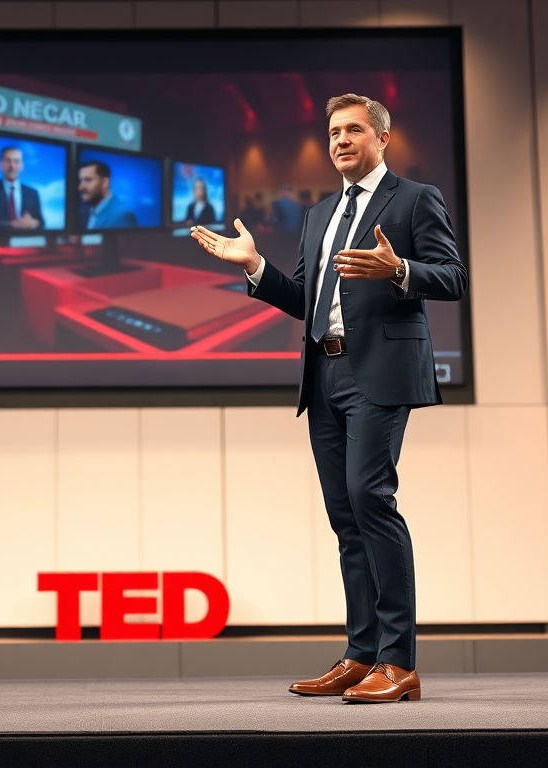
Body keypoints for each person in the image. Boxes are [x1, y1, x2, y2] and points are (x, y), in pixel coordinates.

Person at [191, 93, 467, 704]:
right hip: (326, 376)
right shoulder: (317, 216)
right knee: (346, 517)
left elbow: (453, 277)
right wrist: (257, 267)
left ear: (381, 138)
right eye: (334, 131)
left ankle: (399, 662)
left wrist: (399, 272)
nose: (340, 140)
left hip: (382, 373)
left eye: (353, 130)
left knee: (372, 499)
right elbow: (304, 302)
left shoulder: (415, 199)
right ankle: (361, 653)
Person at [78, 160, 136, 229]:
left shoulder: (122, 215)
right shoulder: (88, 212)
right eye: (80, 181)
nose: (80, 187)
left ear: (105, 183)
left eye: (88, 180)